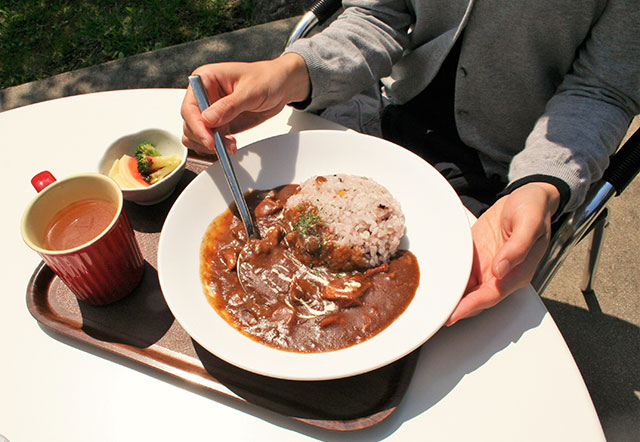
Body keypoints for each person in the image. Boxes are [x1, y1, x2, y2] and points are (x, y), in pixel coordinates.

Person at [180, 0, 639, 325]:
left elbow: (603, 89)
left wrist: (542, 183)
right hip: (382, 105)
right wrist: (288, 72)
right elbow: (381, 12)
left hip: (503, 168)